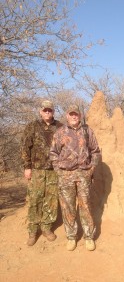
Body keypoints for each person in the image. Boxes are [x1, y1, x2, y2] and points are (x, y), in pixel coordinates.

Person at [49, 104, 101, 251]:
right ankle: (71, 237)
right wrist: (59, 171)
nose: (74, 117)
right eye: (71, 114)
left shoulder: (87, 131)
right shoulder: (60, 132)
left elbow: (96, 151)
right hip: (66, 176)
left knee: (86, 206)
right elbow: (53, 153)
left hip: (84, 175)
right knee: (68, 207)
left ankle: (89, 237)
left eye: (76, 114)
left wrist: (92, 168)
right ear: (67, 116)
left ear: (79, 116)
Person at [21, 100, 63, 246]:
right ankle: (33, 231)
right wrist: (27, 167)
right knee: (35, 200)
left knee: (51, 200)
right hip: (37, 170)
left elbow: (64, 148)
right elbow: (25, 147)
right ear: (40, 111)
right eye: (45, 110)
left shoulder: (60, 127)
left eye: (49, 110)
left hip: (53, 171)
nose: (47, 112)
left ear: (53, 112)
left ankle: (46, 228)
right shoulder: (32, 126)